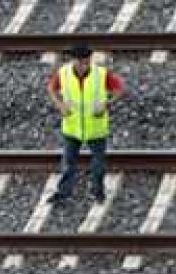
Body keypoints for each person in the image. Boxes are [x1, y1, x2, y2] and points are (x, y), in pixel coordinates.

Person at [47, 44, 125, 204]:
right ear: (74, 60)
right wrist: (60, 105)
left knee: (98, 165)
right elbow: (51, 88)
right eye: (79, 61)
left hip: (95, 127)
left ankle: (98, 192)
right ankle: (63, 192)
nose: (83, 64)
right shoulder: (64, 73)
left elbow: (119, 88)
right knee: (68, 163)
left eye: (85, 61)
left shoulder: (100, 74)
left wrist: (107, 104)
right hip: (72, 126)